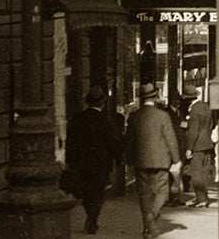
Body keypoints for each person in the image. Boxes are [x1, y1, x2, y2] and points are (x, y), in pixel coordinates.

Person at [127, 82, 182, 239]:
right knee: (162, 192)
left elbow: (130, 141)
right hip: (161, 161)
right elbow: (171, 139)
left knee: (144, 195)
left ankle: (148, 227)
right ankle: (151, 218)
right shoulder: (163, 116)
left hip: (141, 161)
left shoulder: (134, 117)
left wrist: (129, 160)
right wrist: (176, 160)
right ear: (155, 97)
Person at [66, 86, 122, 234]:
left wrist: (70, 160)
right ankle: (92, 219)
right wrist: (119, 158)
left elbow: (70, 142)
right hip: (101, 164)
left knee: (86, 192)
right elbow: (113, 142)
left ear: (88, 102)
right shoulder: (106, 120)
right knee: (98, 193)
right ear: (102, 103)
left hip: (81, 163)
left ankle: (91, 217)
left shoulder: (78, 119)